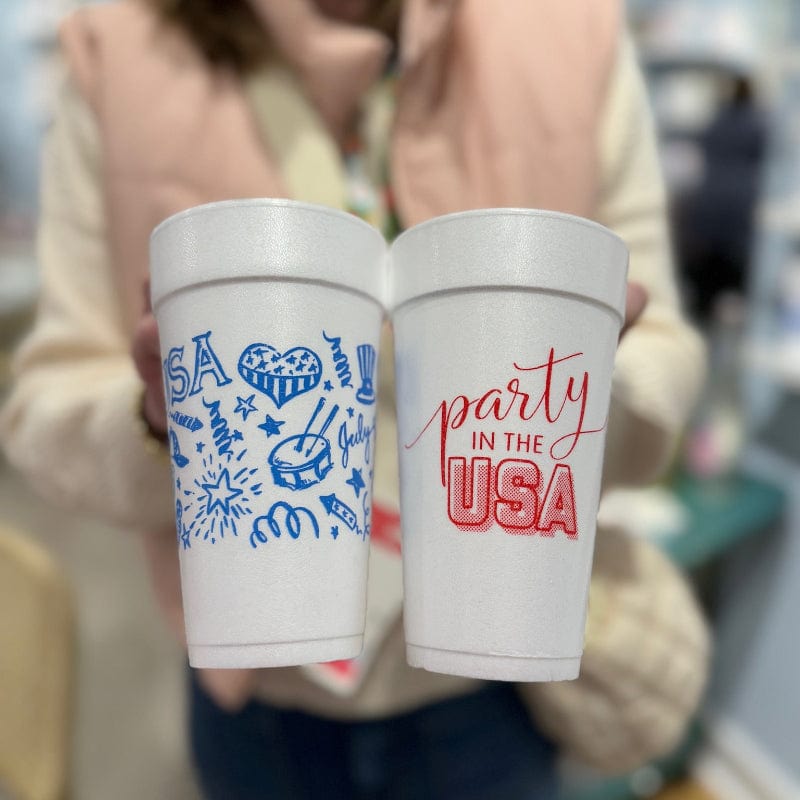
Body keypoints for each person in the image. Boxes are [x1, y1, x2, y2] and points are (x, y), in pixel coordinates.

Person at [1, 0, 709, 797]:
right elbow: (47, 404)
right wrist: (166, 422)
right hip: (258, 689)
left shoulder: (568, 31)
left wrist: (571, 400)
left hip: (495, 683)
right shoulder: (118, 51)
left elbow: (663, 346)